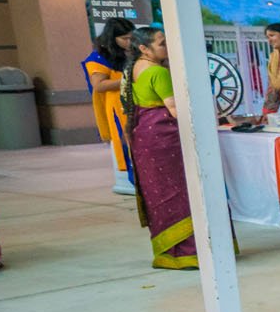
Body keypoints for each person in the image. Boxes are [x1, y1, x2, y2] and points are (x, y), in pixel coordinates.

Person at [119, 26, 197, 271]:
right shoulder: (157, 72)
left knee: (160, 194)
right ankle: (190, 253)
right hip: (165, 137)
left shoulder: (132, 70)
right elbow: (176, 111)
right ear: (144, 48)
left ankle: (167, 253)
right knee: (182, 191)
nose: (167, 47)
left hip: (145, 136)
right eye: (162, 43)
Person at [83, 17, 137, 195]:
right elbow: (99, 85)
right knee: (128, 148)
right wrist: (129, 79)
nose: (129, 42)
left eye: (131, 38)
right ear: (112, 39)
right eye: (124, 39)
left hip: (136, 103)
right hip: (117, 108)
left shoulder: (131, 52)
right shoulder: (99, 57)